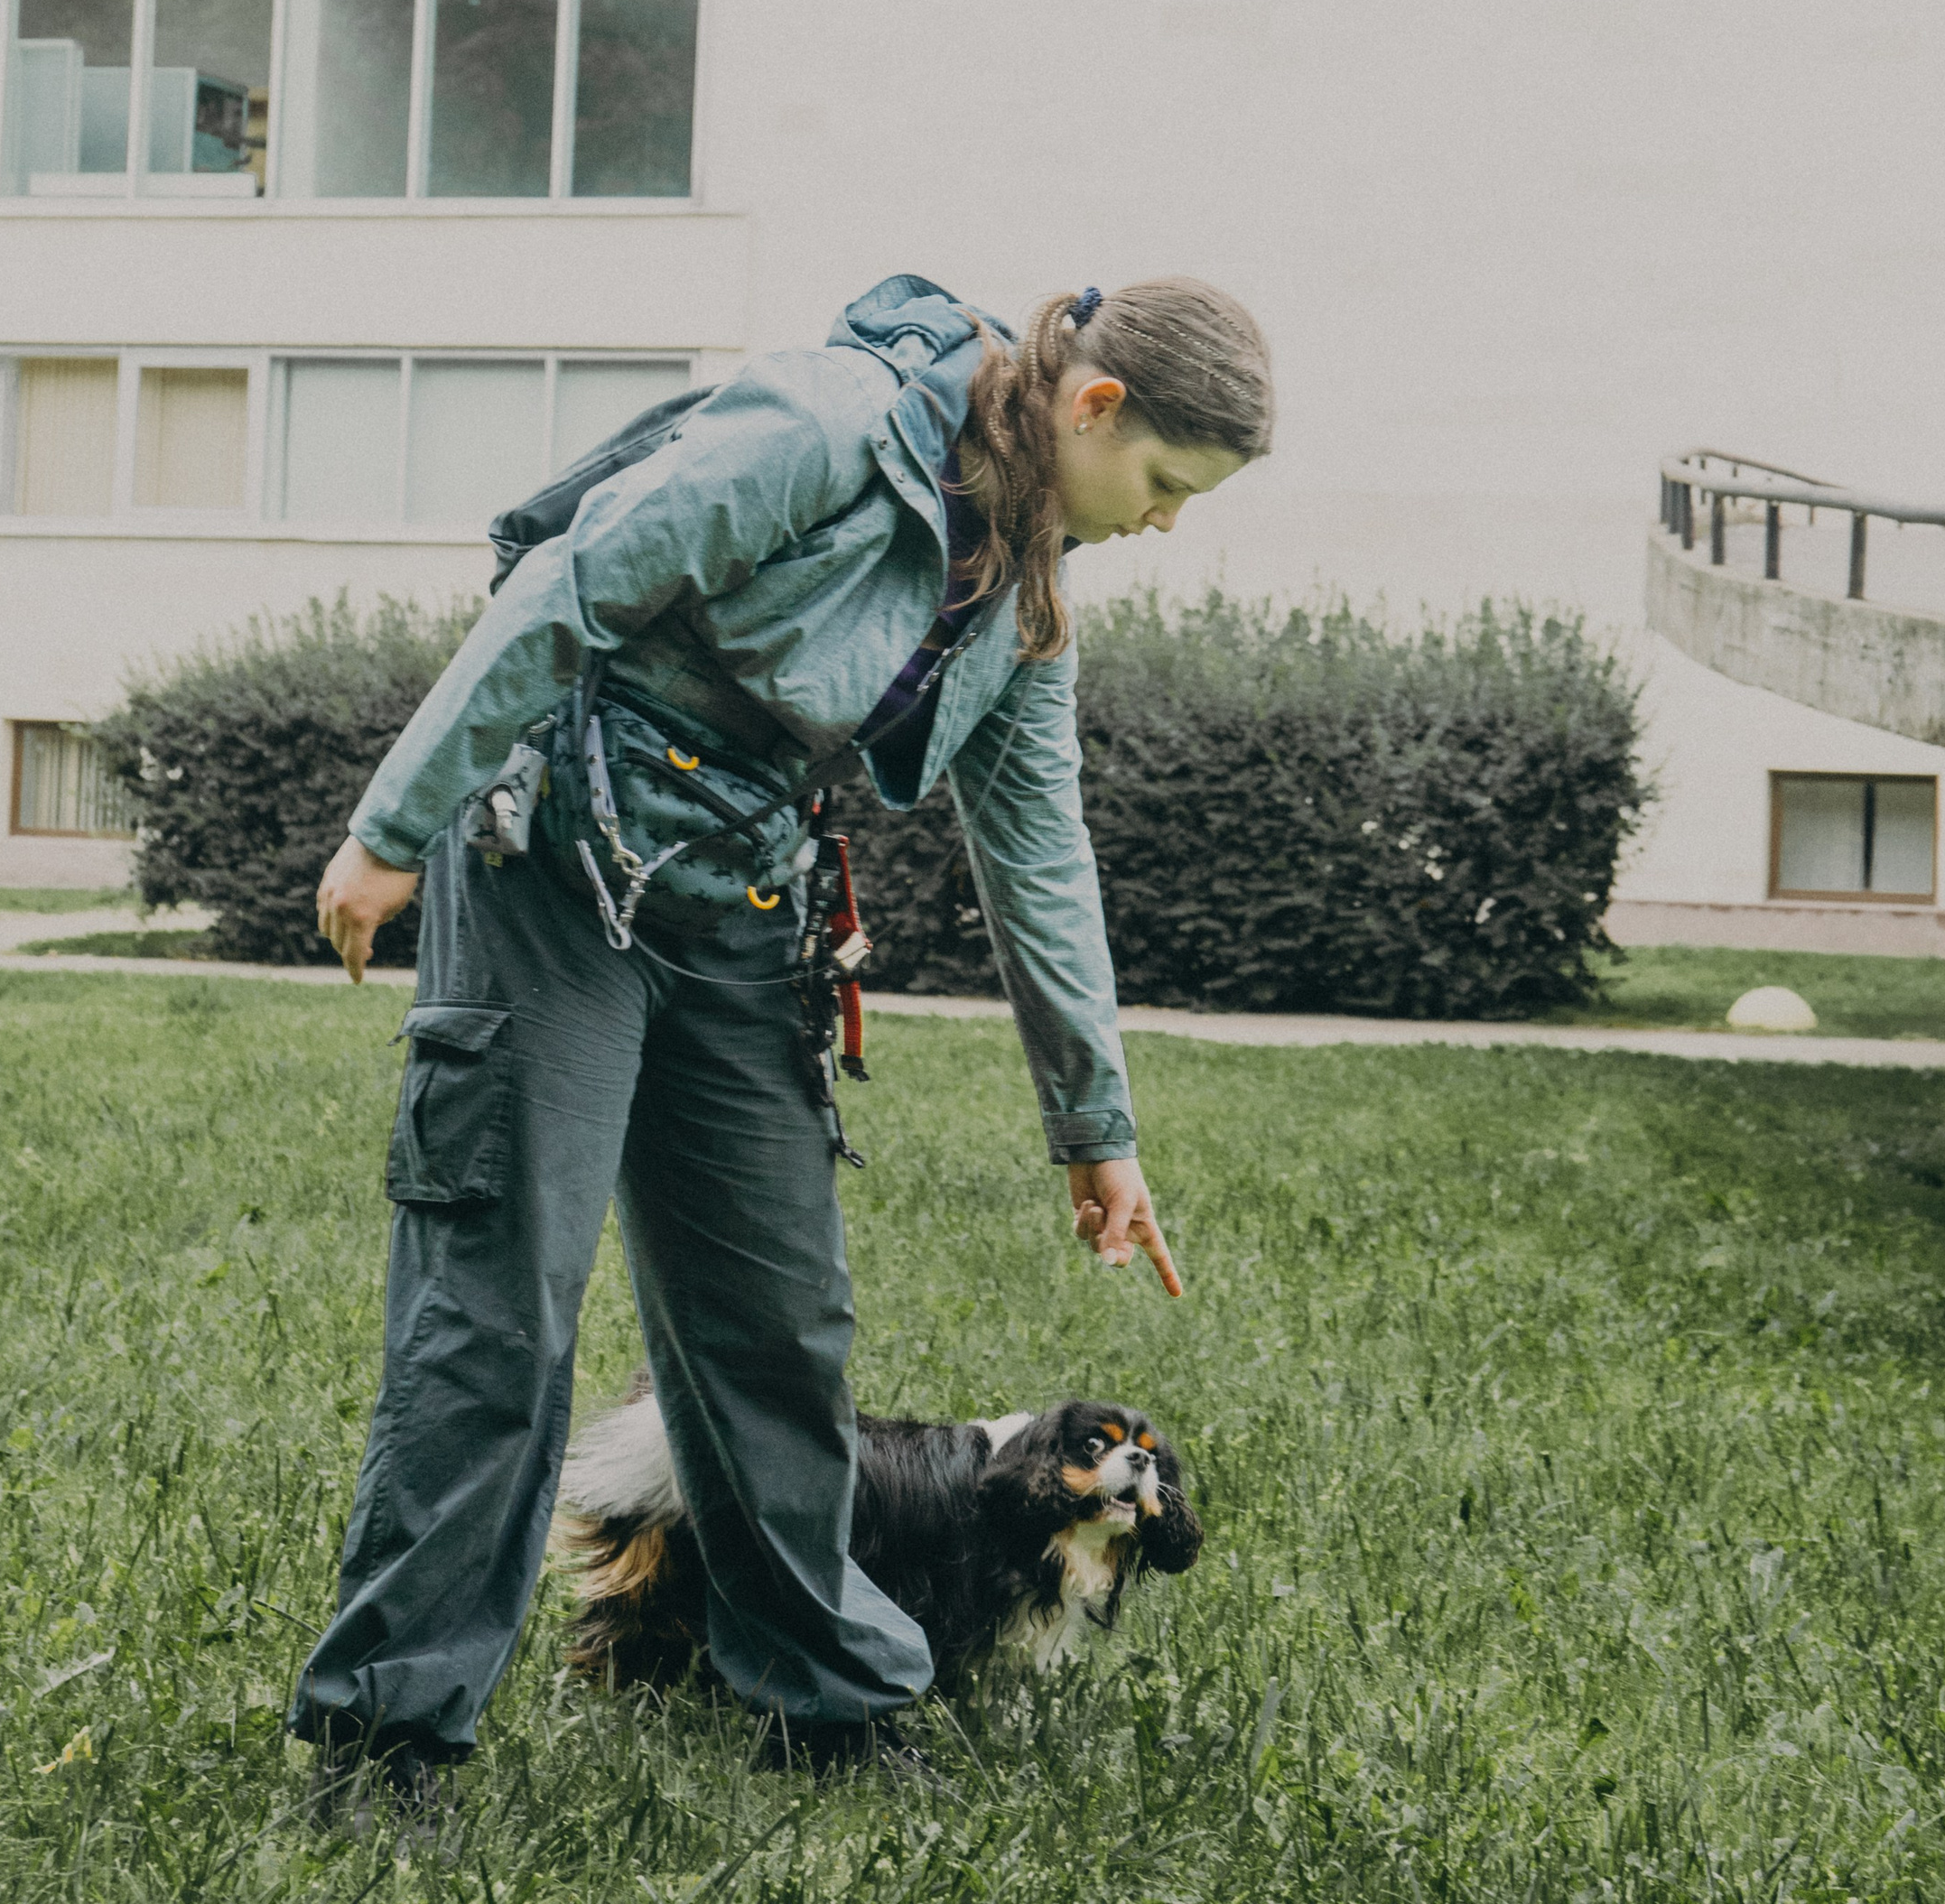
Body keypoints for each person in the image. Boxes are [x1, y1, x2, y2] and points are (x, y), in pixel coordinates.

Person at [291, 272, 1273, 1814]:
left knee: (777, 1325)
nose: (1162, 523)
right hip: (558, 859)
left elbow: (1039, 851)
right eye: (1162, 484)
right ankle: (387, 1737)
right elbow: (571, 587)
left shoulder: (1024, 594)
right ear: (1095, 408)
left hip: (742, 912)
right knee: (498, 1314)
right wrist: (393, 823)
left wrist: (1098, 1129)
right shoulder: (820, 425)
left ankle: (825, 1696)